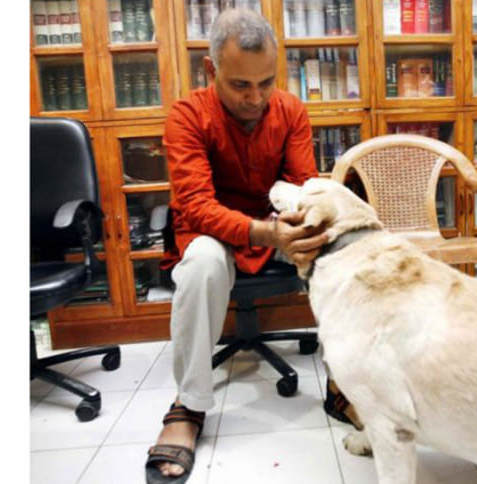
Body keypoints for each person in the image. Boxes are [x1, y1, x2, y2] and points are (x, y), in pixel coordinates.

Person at [144, 9, 331, 483]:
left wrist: (297, 225)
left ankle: (349, 383)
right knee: (202, 264)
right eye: (240, 85)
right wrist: (264, 232)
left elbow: (302, 185)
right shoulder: (187, 115)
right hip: (213, 231)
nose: (256, 97)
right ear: (211, 70)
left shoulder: (291, 110)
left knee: (334, 249)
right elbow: (196, 206)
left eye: (266, 82)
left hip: (275, 221)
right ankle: (188, 406)